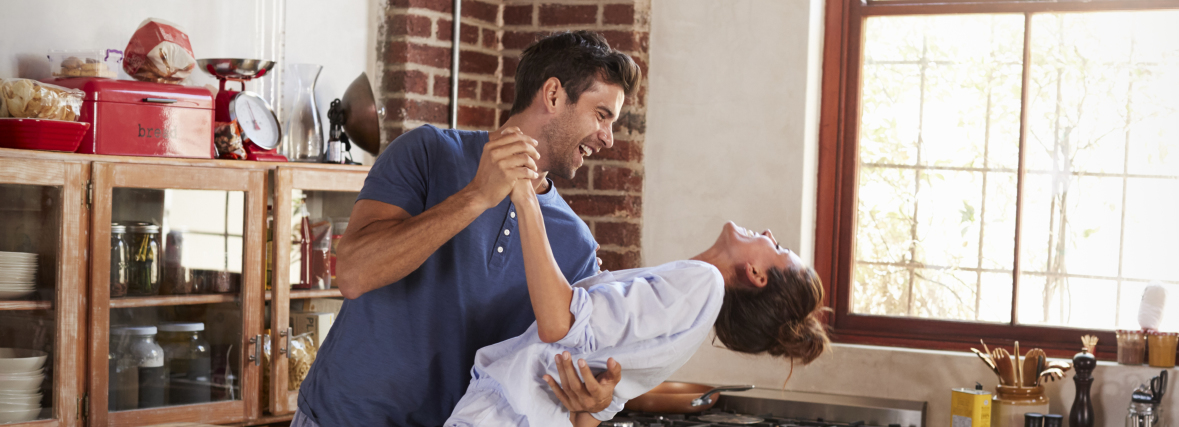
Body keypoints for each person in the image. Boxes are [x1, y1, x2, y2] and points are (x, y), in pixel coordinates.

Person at [294, 31, 642, 426]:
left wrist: (593, 400)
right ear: (553, 95)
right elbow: (353, 275)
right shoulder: (426, 152)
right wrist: (477, 195)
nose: (608, 138)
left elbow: (567, 367)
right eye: (601, 115)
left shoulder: (576, 244)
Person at [444, 176, 831, 427]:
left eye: (778, 247)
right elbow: (588, 418)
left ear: (757, 275)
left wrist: (526, 197)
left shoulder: (703, 283)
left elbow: (559, 323)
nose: (767, 233)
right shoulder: (690, 317)